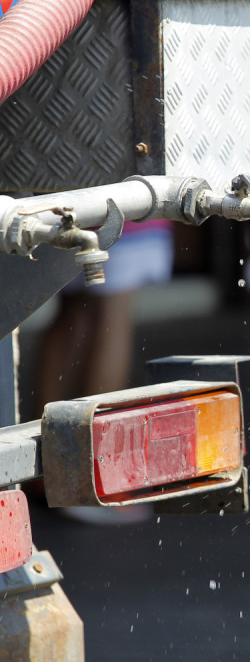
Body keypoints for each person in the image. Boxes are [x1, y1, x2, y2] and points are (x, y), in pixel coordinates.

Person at [33, 219, 173, 524]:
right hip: (123, 213)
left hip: (72, 207)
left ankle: (44, 466)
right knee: (113, 315)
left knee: (74, 312)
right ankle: (92, 478)